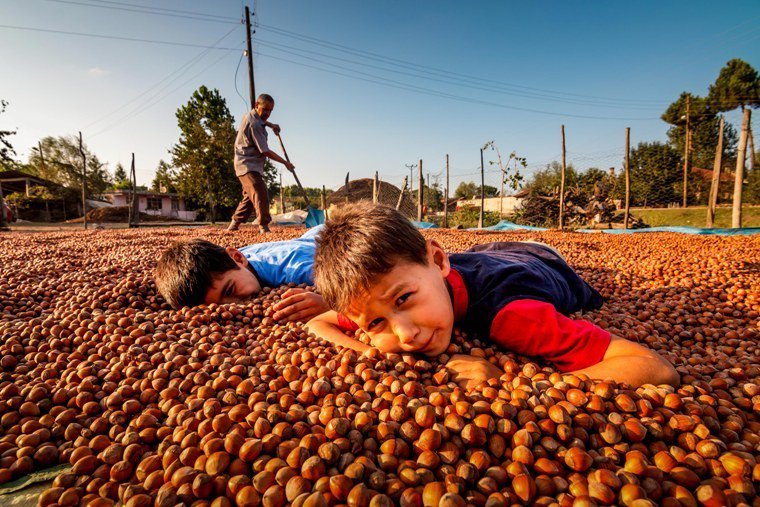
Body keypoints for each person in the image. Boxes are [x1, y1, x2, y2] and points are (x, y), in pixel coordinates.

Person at [306, 202, 679, 389]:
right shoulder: (386, 295)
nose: (404, 335)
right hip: (484, 254)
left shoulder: (511, 315)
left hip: (539, 257)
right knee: (482, 254)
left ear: (437, 260)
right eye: (375, 322)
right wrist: (368, 349)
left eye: (403, 299)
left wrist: (514, 382)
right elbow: (317, 323)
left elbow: (654, 365)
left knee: (519, 253)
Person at [154, 226, 327, 323]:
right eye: (218, 309)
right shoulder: (231, 263)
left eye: (229, 290)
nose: (234, 306)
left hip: (326, 236)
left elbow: (352, 289)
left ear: (238, 257)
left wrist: (328, 303)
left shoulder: (297, 271)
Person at [229, 93, 295, 233]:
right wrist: (285, 163)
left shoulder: (251, 116)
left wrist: (271, 125)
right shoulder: (255, 125)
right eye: (265, 109)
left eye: (270, 110)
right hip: (246, 164)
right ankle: (263, 226)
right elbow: (265, 151)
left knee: (249, 197)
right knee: (260, 190)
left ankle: (234, 224)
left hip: (250, 163)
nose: (267, 113)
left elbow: (261, 120)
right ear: (256, 105)